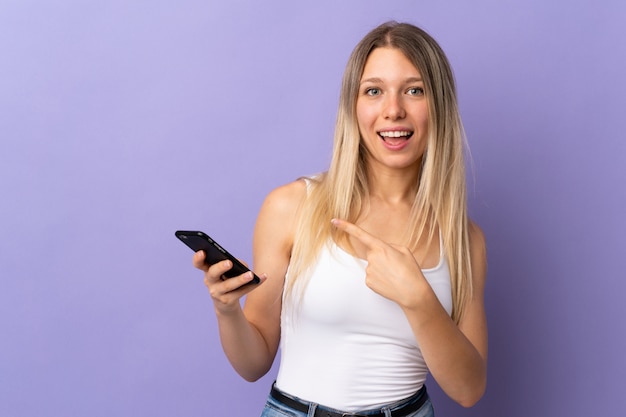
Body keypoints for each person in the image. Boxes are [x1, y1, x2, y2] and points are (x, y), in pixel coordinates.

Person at [193, 21, 488, 417]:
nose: (393, 110)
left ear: (439, 106)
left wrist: (418, 299)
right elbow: (253, 363)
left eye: (414, 90)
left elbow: (468, 390)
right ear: (353, 105)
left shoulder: (463, 239)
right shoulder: (292, 206)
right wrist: (226, 310)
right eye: (374, 91)